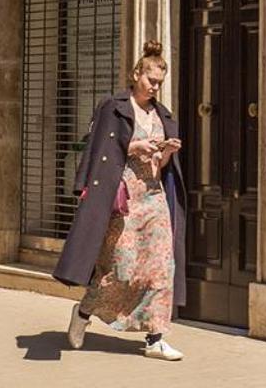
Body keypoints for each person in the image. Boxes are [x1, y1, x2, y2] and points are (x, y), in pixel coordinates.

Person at [55, 41, 187, 362]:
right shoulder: (112, 106)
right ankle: (84, 311)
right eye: (150, 79)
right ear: (136, 73)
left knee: (160, 268)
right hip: (121, 199)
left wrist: (166, 152)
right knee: (121, 269)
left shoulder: (163, 115)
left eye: (159, 82)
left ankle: (155, 338)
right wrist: (133, 146)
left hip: (153, 200)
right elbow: (98, 151)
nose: (154, 87)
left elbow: (161, 169)